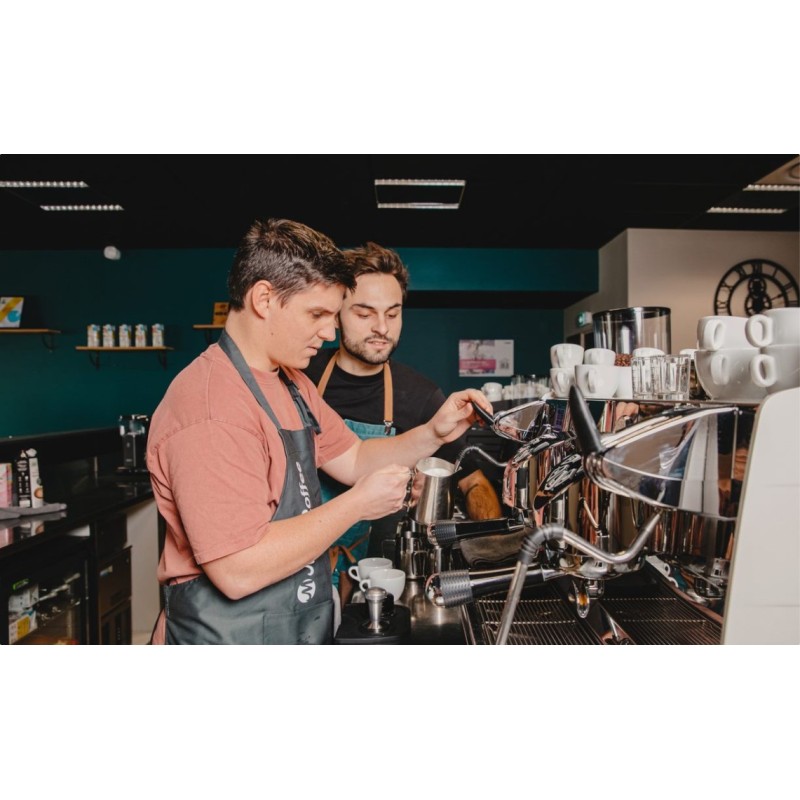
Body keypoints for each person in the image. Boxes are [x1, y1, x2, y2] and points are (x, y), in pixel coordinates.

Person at [146, 219, 490, 644]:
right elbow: (237, 568)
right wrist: (358, 504)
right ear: (264, 299)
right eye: (317, 314)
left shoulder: (290, 382)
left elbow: (355, 459)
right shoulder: (212, 409)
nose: (329, 333)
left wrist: (435, 432)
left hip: (291, 618)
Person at [304, 242, 502, 600]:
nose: (382, 327)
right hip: (298, 569)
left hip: (377, 578)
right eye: (364, 313)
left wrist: (493, 556)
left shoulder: (421, 395)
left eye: (393, 314)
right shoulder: (302, 376)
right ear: (336, 314)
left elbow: (473, 482)